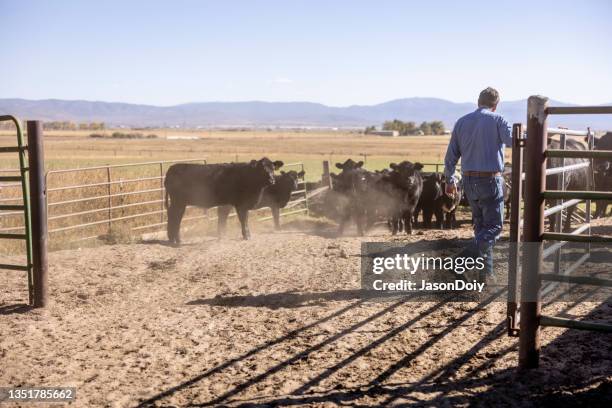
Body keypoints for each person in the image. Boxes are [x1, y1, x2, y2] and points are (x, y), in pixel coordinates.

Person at [444, 87, 512, 281]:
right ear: (496, 104)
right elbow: (514, 141)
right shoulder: (498, 120)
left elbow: (451, 156)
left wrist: (450, 180)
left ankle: (486, 273)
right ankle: (458, 263)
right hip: (490, 180)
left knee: (482, 228)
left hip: (468, 181)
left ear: (478, 101)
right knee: (494, 228)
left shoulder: (462, 122)